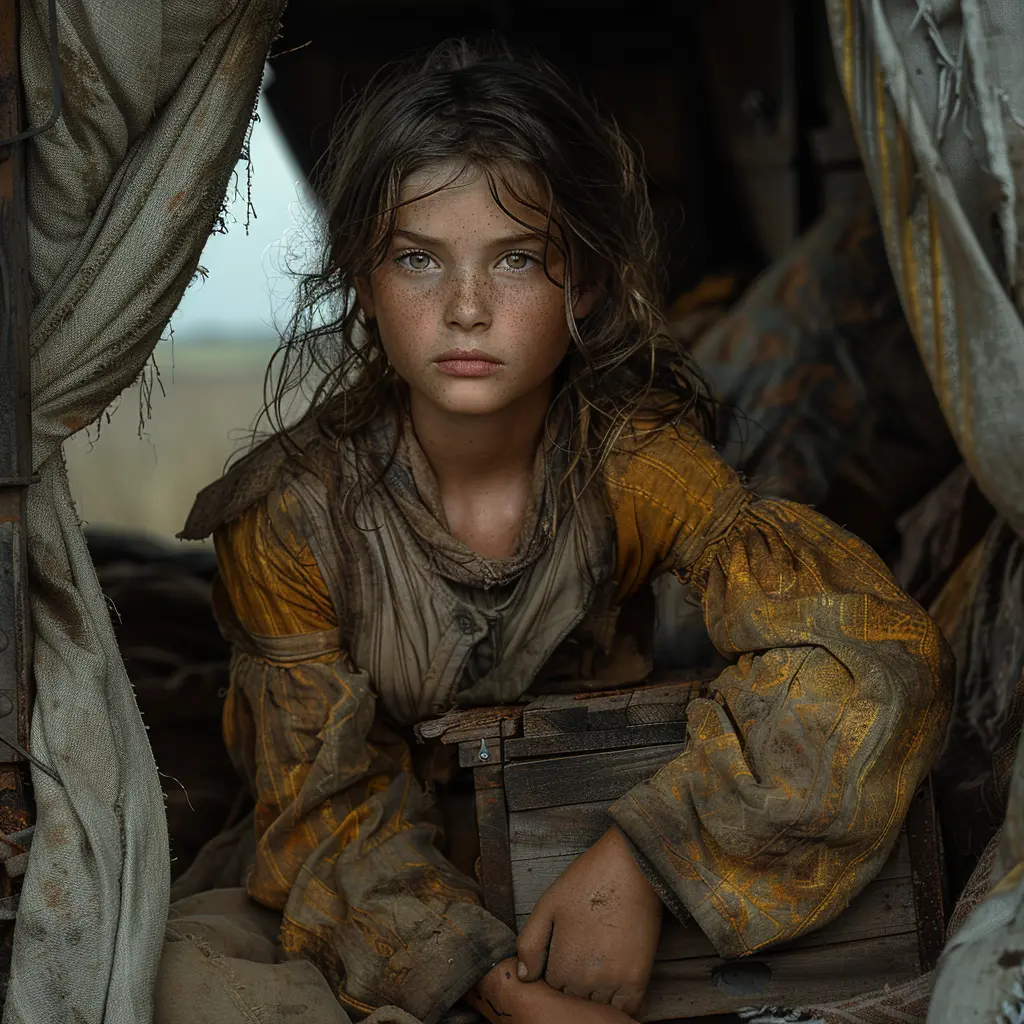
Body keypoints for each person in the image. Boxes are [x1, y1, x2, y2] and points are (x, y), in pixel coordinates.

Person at [180, 38, 952, 1024]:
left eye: (516, 259)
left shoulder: (634, 465)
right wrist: (494, 987)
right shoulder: (287, 519)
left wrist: (644, 860)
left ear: (581, 285)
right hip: (383, 901)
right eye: (418, 260)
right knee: (190, 986)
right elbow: (323, 821)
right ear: (363, 286)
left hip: (582, 841)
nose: (464, 309)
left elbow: (871, 652)